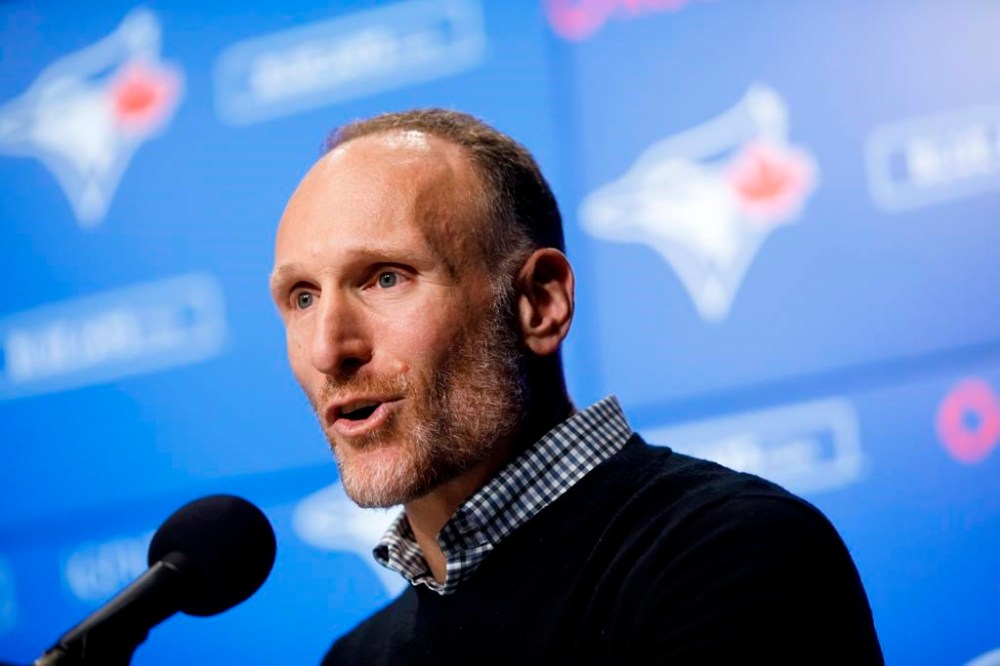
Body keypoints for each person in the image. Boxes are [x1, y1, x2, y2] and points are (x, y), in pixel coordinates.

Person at [270, 109, 883, 664]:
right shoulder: (356, 658)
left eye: (385, 279)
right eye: (302, 297)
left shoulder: (731, 554)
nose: (328, 349)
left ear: (541, 303)